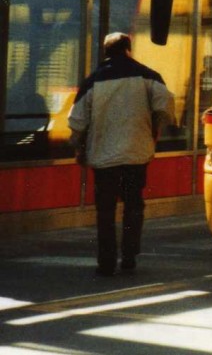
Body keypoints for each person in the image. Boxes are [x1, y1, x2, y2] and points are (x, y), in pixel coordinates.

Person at [68, 33, 176, 277]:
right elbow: (165, 107)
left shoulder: (92, 81)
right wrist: (154, 129)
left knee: (105, 211)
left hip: (103, 158)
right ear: (128, 49)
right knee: (133, 205)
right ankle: (129, 254)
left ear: (106, 52)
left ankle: (106, 262)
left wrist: (78, 147)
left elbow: (77, 121)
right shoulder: (149, 76)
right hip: (136, 154)